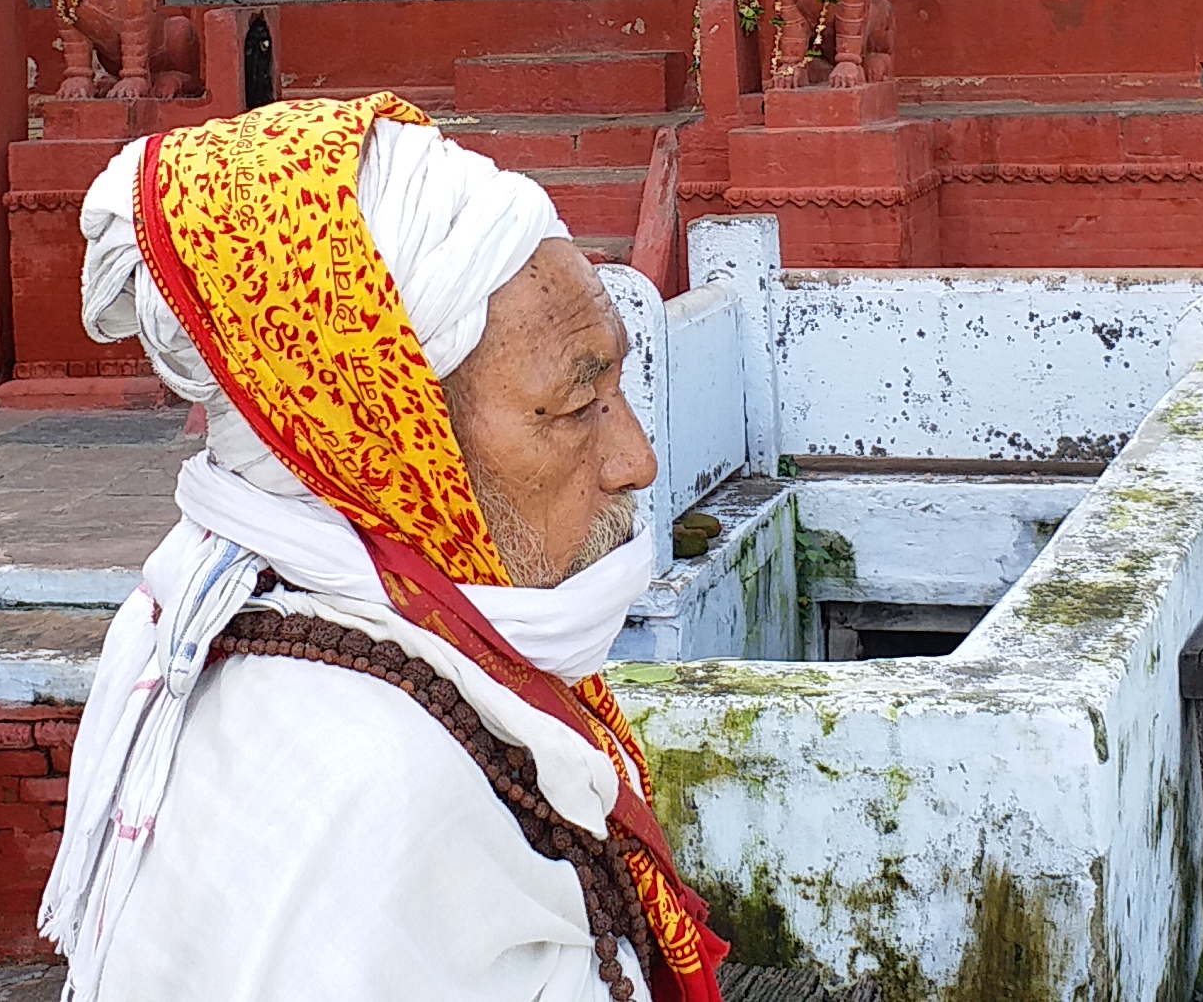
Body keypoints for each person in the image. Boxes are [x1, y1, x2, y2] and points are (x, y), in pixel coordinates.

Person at [39, 93, 729, 1002]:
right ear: (394, 452)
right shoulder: (376, 804)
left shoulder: (230, 621)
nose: (634, 461)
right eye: (574, 407)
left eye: (616, 383)